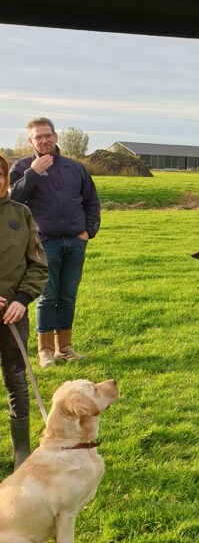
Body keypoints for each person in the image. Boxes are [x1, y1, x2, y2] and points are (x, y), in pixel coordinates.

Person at [10, 118, 100, 367]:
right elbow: (12, 200)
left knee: (68, 295)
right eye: (38, 137)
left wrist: (88, 232)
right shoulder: (22, 167)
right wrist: (34, 173)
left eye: (47, 135)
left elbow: (92, 202)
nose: (44, 140)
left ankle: (65, 348)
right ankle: (45, 351)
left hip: (74, 241)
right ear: (31, 141)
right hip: (43, 242)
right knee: (48, 296)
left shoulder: (74, 168)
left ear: (56, 136)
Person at [0, 154, 49, 469]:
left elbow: (37, 264)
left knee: (16, 376)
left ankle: (22, 452)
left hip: (13, 315)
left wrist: (21, 299)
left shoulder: (21, 213)